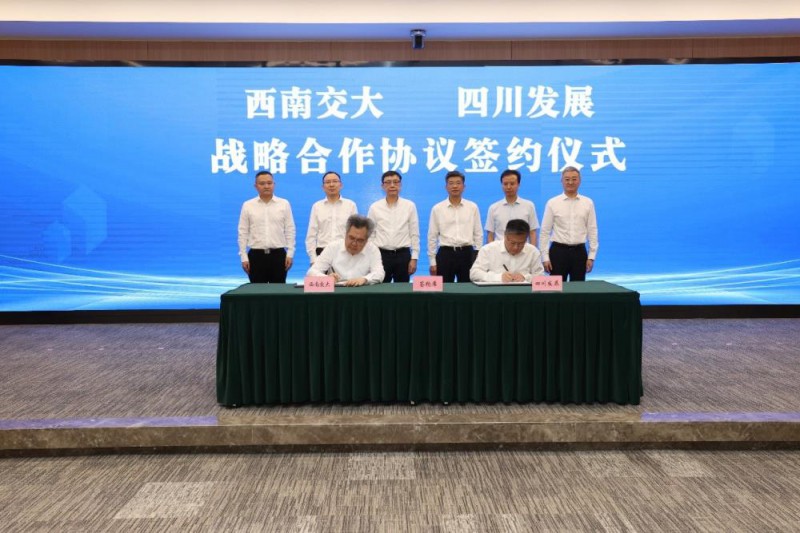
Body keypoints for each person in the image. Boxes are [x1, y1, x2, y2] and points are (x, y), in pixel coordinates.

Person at [539, 166, 598, 281]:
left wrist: (591, 256)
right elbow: (545, 232)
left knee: (578, 288)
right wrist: (545, 257)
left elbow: (592, 230)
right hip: (558, 252)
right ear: (561, 181)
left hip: (579, 252)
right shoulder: (552, 203)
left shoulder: (588, 203)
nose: (570, 182)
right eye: (567, 179)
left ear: (579, 181)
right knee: (556, 288)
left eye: (574, 179)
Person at [237, 170, 295, 283]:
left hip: (278, 256)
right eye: (262, 183)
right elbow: (243, 232)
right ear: (255, 186)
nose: (266, 186)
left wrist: (290, 253)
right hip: (256, 256)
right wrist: (243, 256)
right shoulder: (248, 205)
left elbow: (290, 230)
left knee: (278, 291)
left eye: (269, 183)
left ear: (274, 184)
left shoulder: (284, 204)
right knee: (257, 291)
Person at [427, 170, 483, 282]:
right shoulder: (437, 208)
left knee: (468, 287)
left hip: (467, 253)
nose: (455, 186)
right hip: (445, 254)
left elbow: (478, 233)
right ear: (446, 187)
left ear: (464, 186)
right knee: (444, 289)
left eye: (458, 183)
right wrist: (432, 261)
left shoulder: (472, 207)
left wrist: (478, 255)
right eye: (451, 183)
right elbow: (432, 236)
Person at [367, 170, 420, 283]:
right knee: (380, 288)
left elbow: (414, 233)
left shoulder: (409, 206)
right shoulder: (375, 207)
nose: (392, 185)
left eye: (396, 182)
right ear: (382, 186)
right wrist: (371, 258)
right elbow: (370, 235)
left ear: (400, 184)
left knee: (402, 290)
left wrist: (414, 258)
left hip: (403, 255)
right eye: (388, 182)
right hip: (381, 255)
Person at [306, 214, 384, 286]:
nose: (354, 243)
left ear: (366, 240)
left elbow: (380, 273)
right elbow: (311, 272)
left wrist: (365, 279)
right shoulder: (333, 247)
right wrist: (326, 278)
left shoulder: (372, 250)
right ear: (346, 234)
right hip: (336, 291)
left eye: (360, 240)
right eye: (351, 238)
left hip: (360, 290)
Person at [305, 171, 357, 263]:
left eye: (335, 181)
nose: (331, 185)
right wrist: (313, 259)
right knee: (322, 274)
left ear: (341, 185)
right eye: (328, 182)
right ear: (323, 187)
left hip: (345, 252)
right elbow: (311, 235)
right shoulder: (317, 206)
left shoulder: (350, 205)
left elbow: (355, 232)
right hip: (322, 253)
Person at [470, 219, 544, 282]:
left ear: (526, 239)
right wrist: (498, 277)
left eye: (521, 243)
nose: (515, 247)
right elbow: (474, 274)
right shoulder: (488, 250)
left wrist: (526, 278)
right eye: (512, 243)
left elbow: (541, 277)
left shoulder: (533, 252)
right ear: (505, 236)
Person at [484, 168, 539, 246]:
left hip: (522, 249)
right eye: (505, 184)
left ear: (518, 184)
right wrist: (492, 251)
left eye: (512, 184)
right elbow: (490, 234)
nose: (508, 187)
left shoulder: (529, 206)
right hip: (499, 250)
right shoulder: (493, 208)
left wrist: (533, 251)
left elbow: (532, 232)